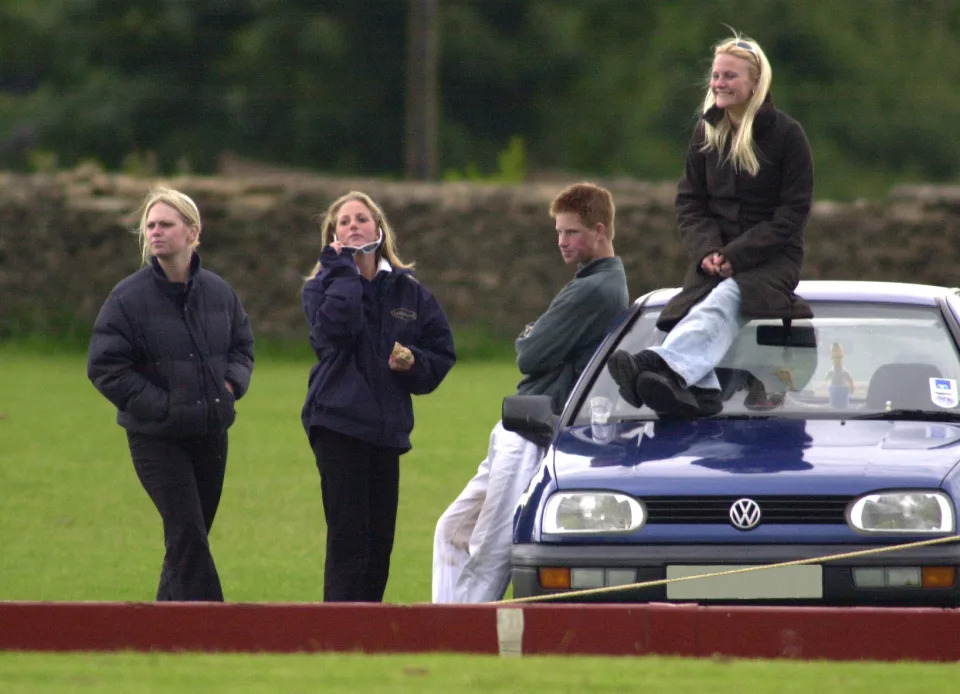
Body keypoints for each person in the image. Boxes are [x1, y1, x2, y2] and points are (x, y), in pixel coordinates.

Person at [433, 182, 629, 603]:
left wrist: (532, 336)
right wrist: (535, 337)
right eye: (558, 231)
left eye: (571, 232)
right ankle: (443, 624)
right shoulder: (591, 282)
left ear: (600, 230)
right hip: (518, 424)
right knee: (451, 529)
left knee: (489, 549)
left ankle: (461, 635)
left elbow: (529, 354)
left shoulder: (595, 288)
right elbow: (536, 346)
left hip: (532, 430)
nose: (561, 241)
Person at [608, 34, 814, 418]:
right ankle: (701, 394)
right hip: (712, 259)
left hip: (771, 261)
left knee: (722, 300)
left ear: (755, 84)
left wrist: (736, 256)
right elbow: (690, 201)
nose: (719, 83)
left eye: (730, 76)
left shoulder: (789, 136)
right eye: (716, 75)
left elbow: (792, 214)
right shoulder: (705, 134)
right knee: (682, 315)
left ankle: (658, 367)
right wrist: (707, 252)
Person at [87, 187, 255, 601]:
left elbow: (242, 347)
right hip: (156, 438)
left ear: (192, 231)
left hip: (211, 434)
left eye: (166, 224)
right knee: (188, 536)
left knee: (185, 543)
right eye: (150, 225)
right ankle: (216, 628)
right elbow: (105, 366)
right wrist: (161, 407)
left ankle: (162, 630)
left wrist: (229, 387)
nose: (155, 232)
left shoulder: (219, 293)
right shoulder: (127, 298)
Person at [301, 190, 455, 602]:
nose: (353, 226)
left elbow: (442, 351)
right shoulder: (321, 287)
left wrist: (415, 363)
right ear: (333, 236)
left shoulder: (408, 291)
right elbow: (337, 332)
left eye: (361, 219)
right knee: (349, 538)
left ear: (379, 228)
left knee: (379, 544)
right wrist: (345, 273)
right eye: (344, 222)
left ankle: (368, 631)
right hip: (338, 424)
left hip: (386, 431)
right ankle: (338, 631)